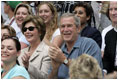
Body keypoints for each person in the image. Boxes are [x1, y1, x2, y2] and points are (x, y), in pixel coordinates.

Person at [48, 13, 103, 79]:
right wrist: (55, 69)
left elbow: (90, 74)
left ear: (78, 28)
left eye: (69, 26)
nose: (65, 30)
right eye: (63, 26)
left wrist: (64, 60)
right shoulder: (59, 51)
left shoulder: (89, 44)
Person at [102, 1, 117, 79]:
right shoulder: (109, 34)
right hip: (111, 72)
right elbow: (106, 58)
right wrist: (104, 72)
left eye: (116, 9)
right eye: (110, 9)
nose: (113, 13)